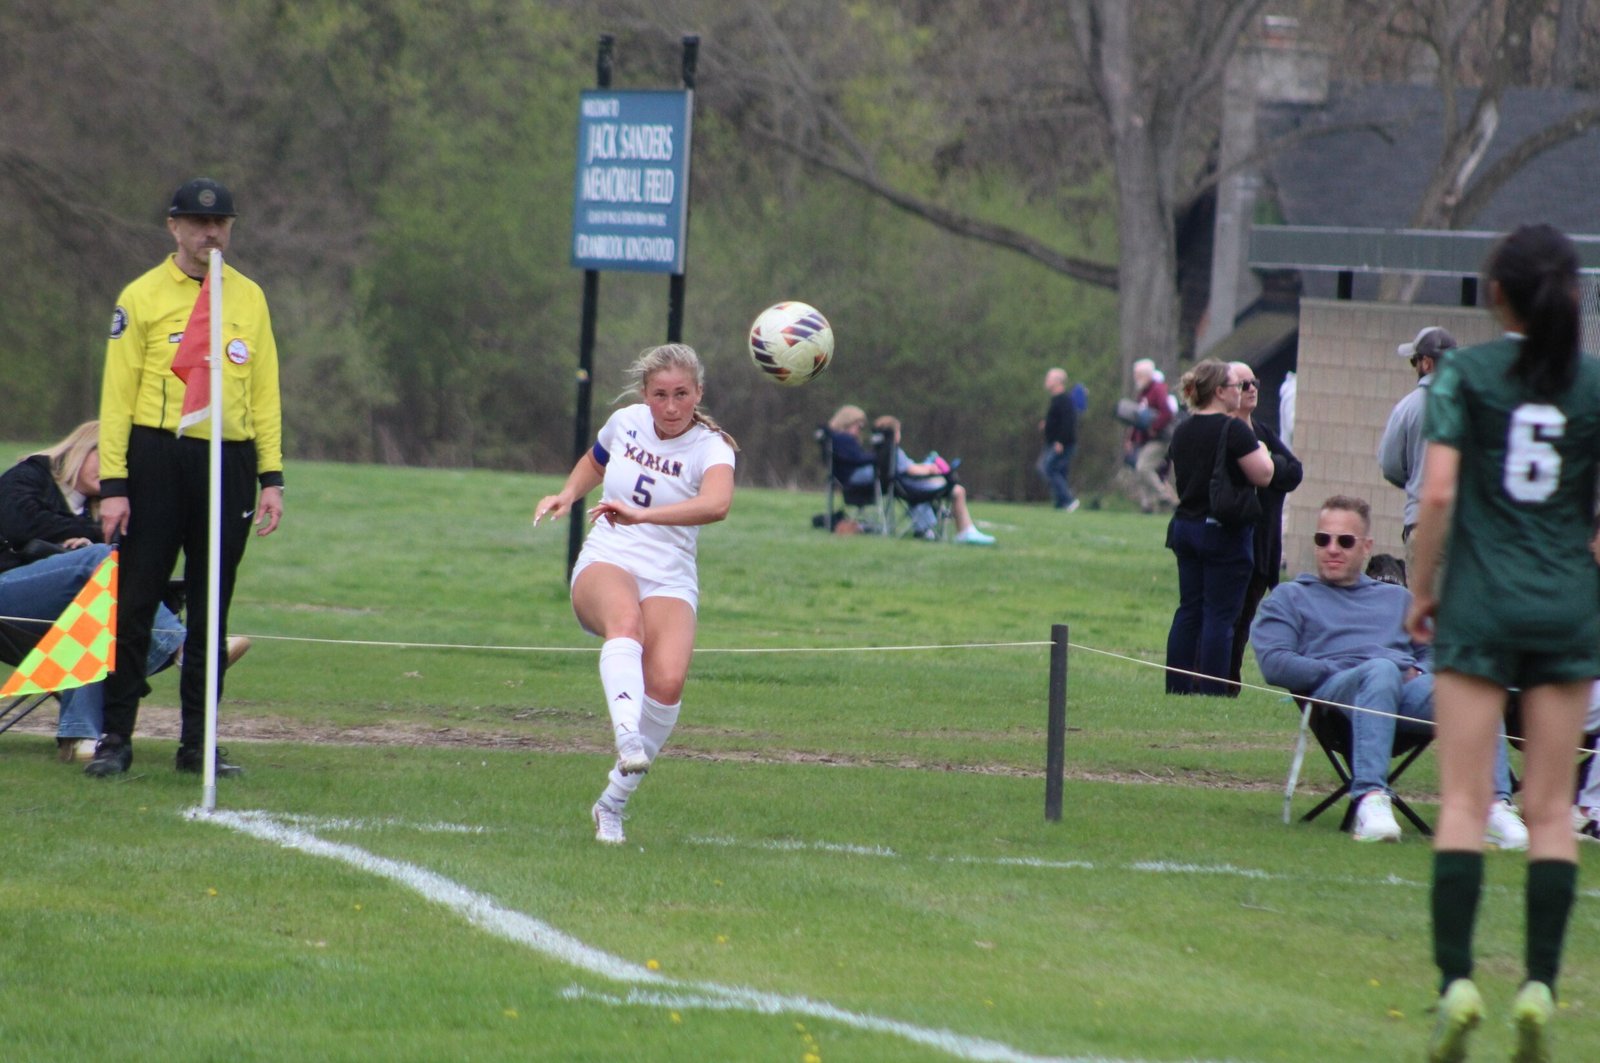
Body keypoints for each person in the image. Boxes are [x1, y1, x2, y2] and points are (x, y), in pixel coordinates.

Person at [1404, 224, 1600, 1061]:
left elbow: (1439, 489)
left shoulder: (1466, 372)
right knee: (1552, 809)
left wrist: (1422, 588)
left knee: (1463, 803)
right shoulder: (1592, 385)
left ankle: (1456, 982)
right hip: (1565, 605)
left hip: (1480, 604)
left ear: (1495, 295)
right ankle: (1540, 989)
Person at [88, 177, 284, 779]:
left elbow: (266, 392)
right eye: (198, 224)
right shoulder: (142, 296)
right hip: (157, 457)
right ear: (173, 227)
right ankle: (115, 738)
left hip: (228, 459)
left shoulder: (247, 297)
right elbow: (117, 399)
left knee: (211, 607)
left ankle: (198, 744)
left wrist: (271, 476)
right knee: (137, 601)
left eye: (221, 223)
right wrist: (116, 484)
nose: (210, 234)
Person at [533, 344, 736, 845]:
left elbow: (717, 504)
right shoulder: (626, 421)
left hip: (669, 574)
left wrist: (645, 514)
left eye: (681, 395)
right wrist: (568, 493)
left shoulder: (712, 447)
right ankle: (627, 735)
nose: (670, 407)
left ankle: (611, 806)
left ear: (699, 394)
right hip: (610, 556)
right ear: (645, 395)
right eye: (660, 395)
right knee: (627, 624)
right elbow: (595, 460)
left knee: (667, 683)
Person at [1252, 495, 1525, 848]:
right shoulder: (1291, 597)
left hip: (1403, 693)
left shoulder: (1397, 599)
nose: (1332, 548)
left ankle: (1494, 807)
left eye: (1345, 541)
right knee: (1379, 669)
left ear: (1366, 547)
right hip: (1337, 695)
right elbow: (1274, 662)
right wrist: (1341, 669)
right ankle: (1370, 800)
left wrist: (1416, 669)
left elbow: (1435, 652)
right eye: (1323, 539)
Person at [0, 423, 194, 760]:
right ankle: (185, 648)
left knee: (97, 611)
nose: (110, 475)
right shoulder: (29, 475)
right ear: (83, 446)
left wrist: (83, 547)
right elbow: (19, 524)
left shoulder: (103, 510)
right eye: (106, 459)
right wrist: (81, 546)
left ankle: (78, 738)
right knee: (102, 560)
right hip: (9, 598)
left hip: (56, 619)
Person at [1162, 359, 1273, 695]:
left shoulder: (1183, 428)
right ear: (1221, 392)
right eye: (1236, 386)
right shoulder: (1234, 429)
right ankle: (1212, 691)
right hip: (1223, 529)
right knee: (1220, 615)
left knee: (1189, 609)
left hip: (1186, 525)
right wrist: (1263, 450)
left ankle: (1178, 687)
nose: (1242, 391)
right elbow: (1264, 475)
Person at [1224, 362, 1302, 697]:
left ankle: (1229, 682)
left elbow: (1294, 471)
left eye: (1254, 382)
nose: (1252, 388)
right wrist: (1266, 471)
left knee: (1244, 621)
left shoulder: (1263, 432)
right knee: (1226, 619)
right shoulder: (1224, 432)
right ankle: (1220, 683)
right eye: (1243, 384)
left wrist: (1269, 468)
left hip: (1263, 544)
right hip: (1233, 544)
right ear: (1224, 391)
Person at [1377, 326, 1457, 571]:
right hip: (1467, 527)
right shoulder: (1474, 403)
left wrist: (1414, 480)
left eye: (1415, 360)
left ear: (1427, 363)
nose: (1415, 367)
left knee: (1424, 606)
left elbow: (1390, 466)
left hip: (1423, 522)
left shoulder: (1408, 408)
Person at [872, 415, 995, 545]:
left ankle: (932, 526)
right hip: (912, 490)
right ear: (894, 434)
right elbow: (911, 470)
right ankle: (965, 532)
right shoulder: (894, 451)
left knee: (941, 483)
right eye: (898, 431)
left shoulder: (882, 452)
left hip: (904, 487)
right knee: (958, 490)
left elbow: (908, 468)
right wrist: (930, 469)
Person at [1124, 358, 1179, 514]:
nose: (1135, 377)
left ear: (1146, 374)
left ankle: (1166, 497)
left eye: (1138, 374)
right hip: (1146, 440)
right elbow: (1138, 418)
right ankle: (1147, 505)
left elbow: (1167, 412)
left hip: (1161, 439)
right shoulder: (1143, 392)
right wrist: (1131, 439)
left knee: (1143, 467)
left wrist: (1155, 427)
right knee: (1141, 470)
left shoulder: (1157, 389)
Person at [1036, 368, 1079, 511]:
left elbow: (1068, 422)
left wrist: (1060, 441)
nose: (1046, 381)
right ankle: (1061, 502)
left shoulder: (1064, 400)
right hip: (1053, 442)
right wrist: (1047, 424)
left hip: (1061, 444)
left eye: (1049, 379)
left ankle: (1068, 499)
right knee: (1057, 471)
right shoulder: (1056, 400)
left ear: (1058, 382)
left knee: (1048, 468)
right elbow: (1057, 419)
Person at [826, 405, 877, 491]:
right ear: (848, 423)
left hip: (845, 475)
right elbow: (856, 458)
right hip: (852, 475)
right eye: (859, 426)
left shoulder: (834, 438)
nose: (860, 429)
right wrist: (877, 457)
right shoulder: (845, 438)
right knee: (891, 469)